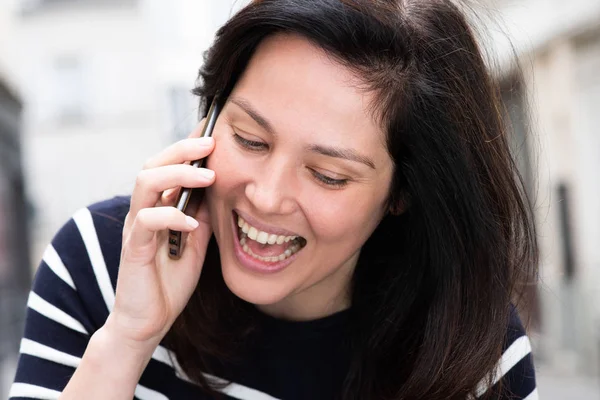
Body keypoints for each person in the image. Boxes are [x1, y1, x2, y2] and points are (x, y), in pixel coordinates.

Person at [10, 0, 539, 399]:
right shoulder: (102, 263)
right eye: (250, 140)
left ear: (403, 192)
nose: (265, 196)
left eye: (329, 175)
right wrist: (126, 339)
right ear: (210, 115)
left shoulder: (467, 342)